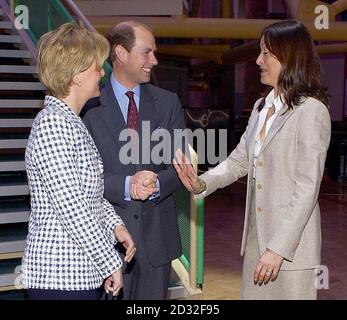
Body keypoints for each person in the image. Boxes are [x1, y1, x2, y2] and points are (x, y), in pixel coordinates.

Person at [173, 20, 331, 300]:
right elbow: (238, 161)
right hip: (257, 244)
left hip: (290, 251)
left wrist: (277, 249)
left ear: (289, 56)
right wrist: (201, 183)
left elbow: (307, 189)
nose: (258, 60)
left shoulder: (311, 111)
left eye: (266, 53)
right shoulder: (261, 107)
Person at [22, 22, 136, 300]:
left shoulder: (71, 123)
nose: (102, 72)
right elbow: (72, 208)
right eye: (96, 67)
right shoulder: (52, 125)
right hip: (59, 278)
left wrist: (115, 225)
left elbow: (90, 197)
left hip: (78, 274)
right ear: (75, 76)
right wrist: (110, 262)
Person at [82, 20, 186, 300]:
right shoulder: (88, 107)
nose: (154, 60)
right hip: (105, 246)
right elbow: (81, 179)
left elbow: (181, 168)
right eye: (146, 52)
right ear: (121, 53)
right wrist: (128, 185)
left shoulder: (168, 103)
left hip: (157, 245)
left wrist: (156, 184)